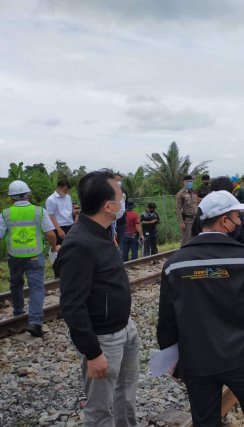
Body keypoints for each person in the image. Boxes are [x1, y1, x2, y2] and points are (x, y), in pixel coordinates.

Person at [157, 190, 244, 427]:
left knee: (204, 422)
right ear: (224, 220)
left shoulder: (174, 264)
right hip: (243, 357)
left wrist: (171, 358)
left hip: (197, 361)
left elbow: (167, 320)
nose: (239, 223)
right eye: (236, 217)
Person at [57, 170, 139, 426]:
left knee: (125, 398)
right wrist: (93, 353)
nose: (123, 198)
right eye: (120, 195)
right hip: (104, 339)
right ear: (108, 205)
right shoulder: (80, 243)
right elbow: (72, 304)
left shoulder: (102, 232)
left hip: (125, 329)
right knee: (101, 411)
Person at [0, 180, 58, 337]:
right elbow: (51, 234)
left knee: (16, 284)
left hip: (14, 257)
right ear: (28, 194)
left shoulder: (5, 214)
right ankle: (35, 322)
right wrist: (53, 247)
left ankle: (18, 312)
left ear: (11, 198)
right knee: (37, 288)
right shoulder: (39, 211)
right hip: (34, 256)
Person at [45, 178, 74, 245]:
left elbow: (69, 210)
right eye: (65, 190)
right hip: (60, 227)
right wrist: (59, 230)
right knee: (60, 248)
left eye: (68, 190)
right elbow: (51, 216)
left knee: (71, 247)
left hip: (70, 225)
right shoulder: (51, 199)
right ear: (59, 188)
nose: (67, 192)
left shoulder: (68, 197)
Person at [176, 175, 197, 247]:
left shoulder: (194, 192)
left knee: (194, 239)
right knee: (185, 240)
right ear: (183, 182)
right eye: (188, 181)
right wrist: (181, 222)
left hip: (195, 219)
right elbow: (178, 209)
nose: (190, 183)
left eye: (191, 181)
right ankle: (183, 256)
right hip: (187, 221)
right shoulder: (181, 193)